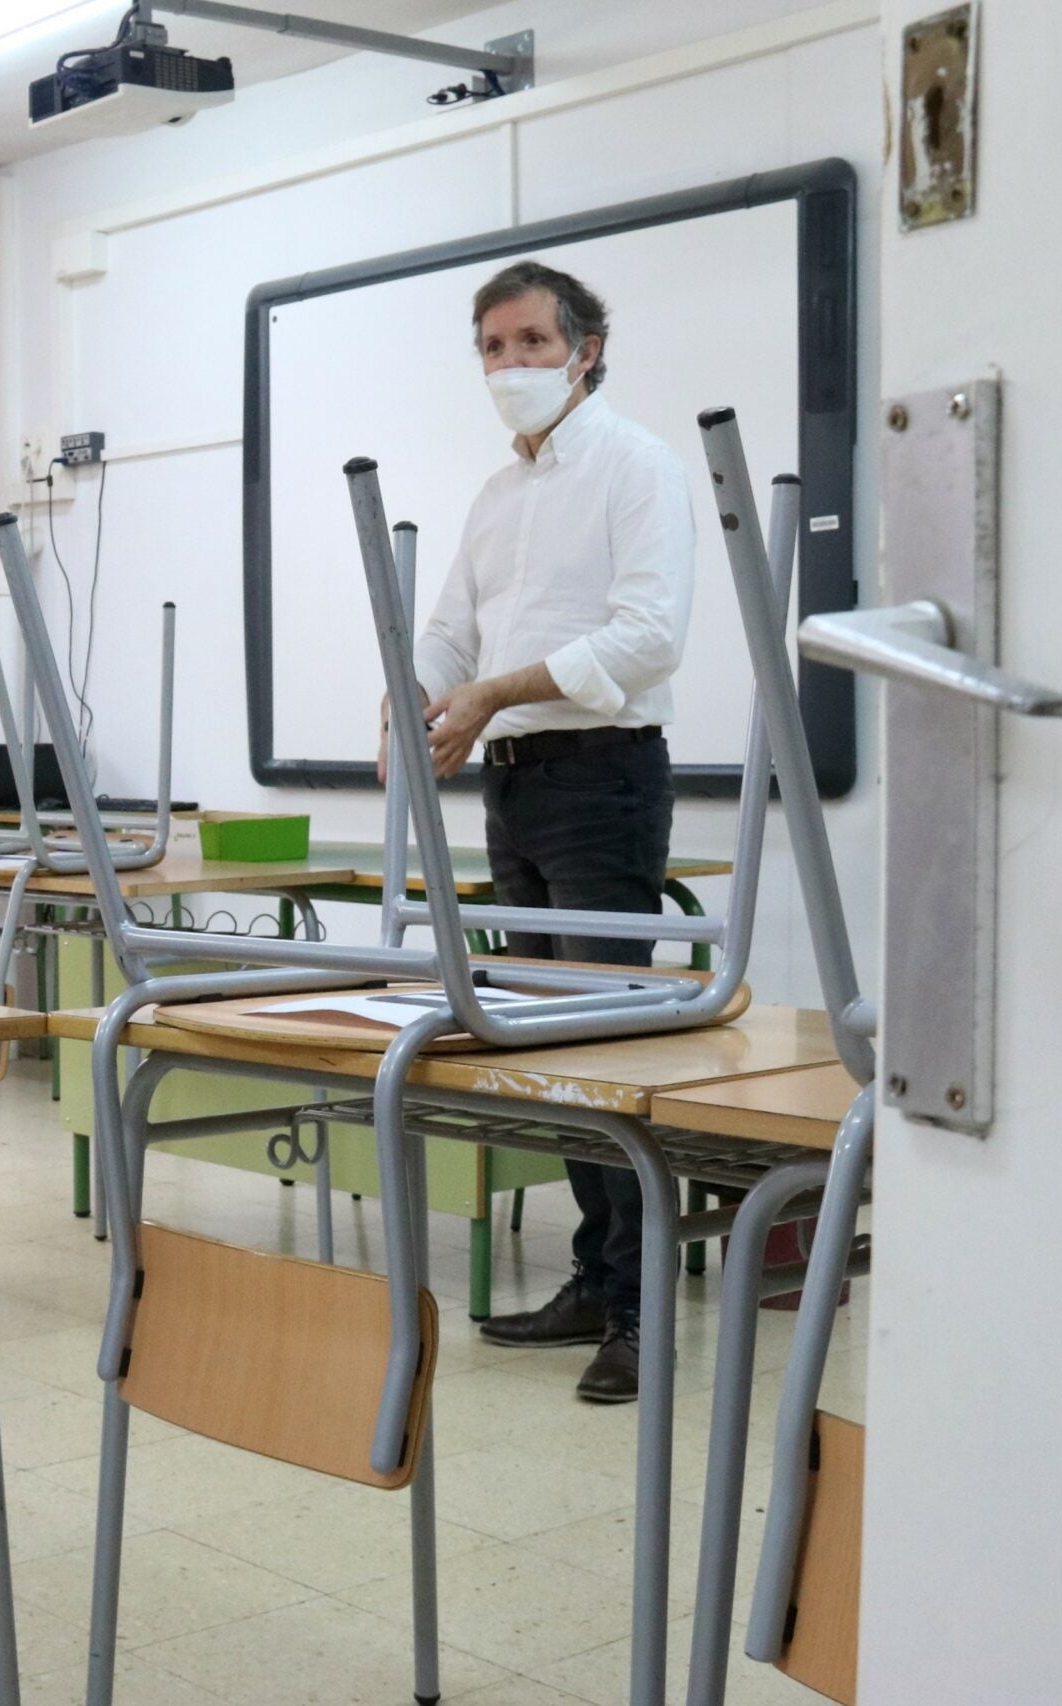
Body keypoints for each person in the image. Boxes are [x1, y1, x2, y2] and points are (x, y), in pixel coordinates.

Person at [399, 259, 694, 1405]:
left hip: (602, 776)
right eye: (490, 347)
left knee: (613, 1051)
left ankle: (637, 1305)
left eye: (529, 342)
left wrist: (486, 694)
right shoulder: (496, 495)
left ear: (584, 347)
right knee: (547, 1051)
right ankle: (591, 1277)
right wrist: (412, 690)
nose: (509, 366)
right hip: (514, 785)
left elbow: (646, 638)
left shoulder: (637, 466)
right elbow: (448, 635)